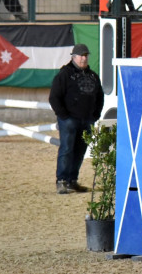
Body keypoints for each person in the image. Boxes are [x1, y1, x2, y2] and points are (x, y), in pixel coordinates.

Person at [49, 44, 104, 194]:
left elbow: (100, 96)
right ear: (73, 57)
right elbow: (54, 97)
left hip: (86, 119)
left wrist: (95, 115)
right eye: (81, 55)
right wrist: (64, 115)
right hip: (69, 120)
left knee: (80, 151)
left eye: (86, 55)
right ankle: (62, 180)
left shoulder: (93, 76)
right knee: (67, 149)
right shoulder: (64, 75)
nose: (84, 58)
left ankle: (72, 180)